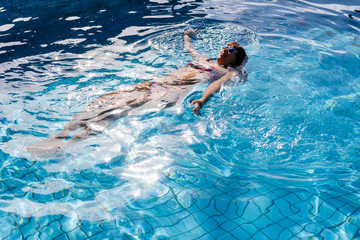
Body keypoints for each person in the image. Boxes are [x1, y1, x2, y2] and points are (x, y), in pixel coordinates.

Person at [25, 29, 248, 155]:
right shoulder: (204, 59)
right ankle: (56, 137)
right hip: (155, 83)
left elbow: (214, 86)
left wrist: (202, 99)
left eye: (230, 50)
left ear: (234, 59)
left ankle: (65, 147)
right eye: (226, 46)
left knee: (113, 113)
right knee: (102, 101)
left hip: (169, 93)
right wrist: (187, 35)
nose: (224, 49)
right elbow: (189, 47)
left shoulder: (223, 73)